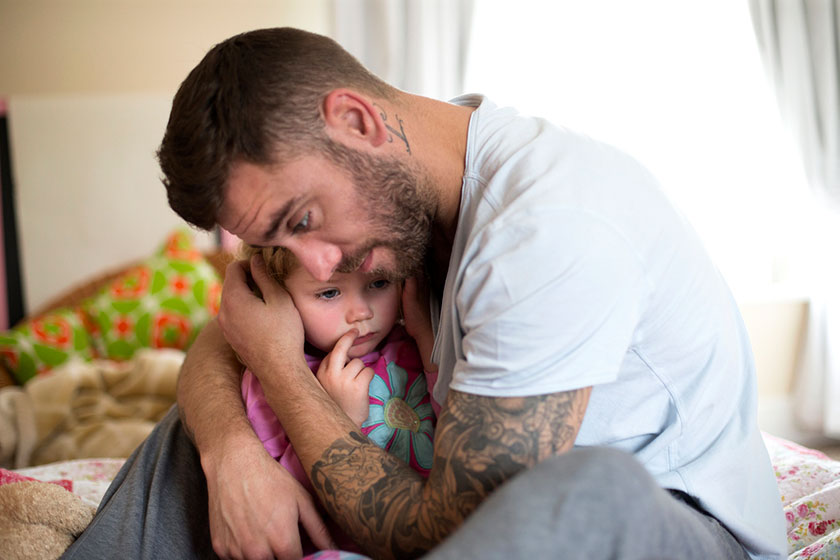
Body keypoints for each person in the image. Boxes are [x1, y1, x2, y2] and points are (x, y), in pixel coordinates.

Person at [63, 27, 786, 560]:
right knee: (217, 416)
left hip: (671, 529)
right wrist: (232, 454)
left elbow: (453, 532)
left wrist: (285, 374)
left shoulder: (547, 225)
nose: (314, 265)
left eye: (305, 221)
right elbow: (237, 331)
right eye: (282, 249)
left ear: (358, 121)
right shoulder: (397, 189)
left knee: (592, 486)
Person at [239, 243, 438, 553]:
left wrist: (426, 337)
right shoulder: (272, 382)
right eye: (329, 293)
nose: (362, 312)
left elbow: (457, 424)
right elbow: (283, 505)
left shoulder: (412, 345)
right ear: (279, 300)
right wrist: (338, 419)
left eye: (379, 283)